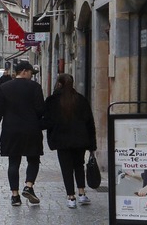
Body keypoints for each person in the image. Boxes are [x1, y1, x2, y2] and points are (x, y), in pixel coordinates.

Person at [0, 60, 45, 207]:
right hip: (31, 129)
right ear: (24, 71)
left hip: (11, 130)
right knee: (33, 159)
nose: (31, 76)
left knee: (13, 162)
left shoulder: (4, 87)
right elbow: (41, 110)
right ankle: (28, 186)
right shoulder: (35, 87)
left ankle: (15, 196)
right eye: (30, 73)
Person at [42, 73, 97, 208]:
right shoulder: (81, 100)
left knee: (66, 168)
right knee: (79, 165)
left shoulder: (52, 101)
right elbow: (90, 123)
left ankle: (71, 197)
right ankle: (82, 193)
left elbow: (47, 122)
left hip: (62, 140)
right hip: (80, 139)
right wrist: (92, 144)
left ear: (59, 84)